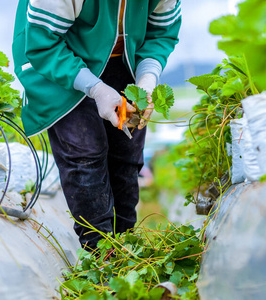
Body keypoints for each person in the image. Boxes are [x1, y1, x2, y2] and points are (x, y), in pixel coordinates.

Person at [12, 0, 181, 249]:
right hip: (58, 59)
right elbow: (43, 46)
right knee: (85, 153)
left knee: (127, 152)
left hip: (121, 58)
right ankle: (100, 255)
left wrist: (147, 77)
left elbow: (161, 32)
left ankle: (125, 247)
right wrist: (96, 88)